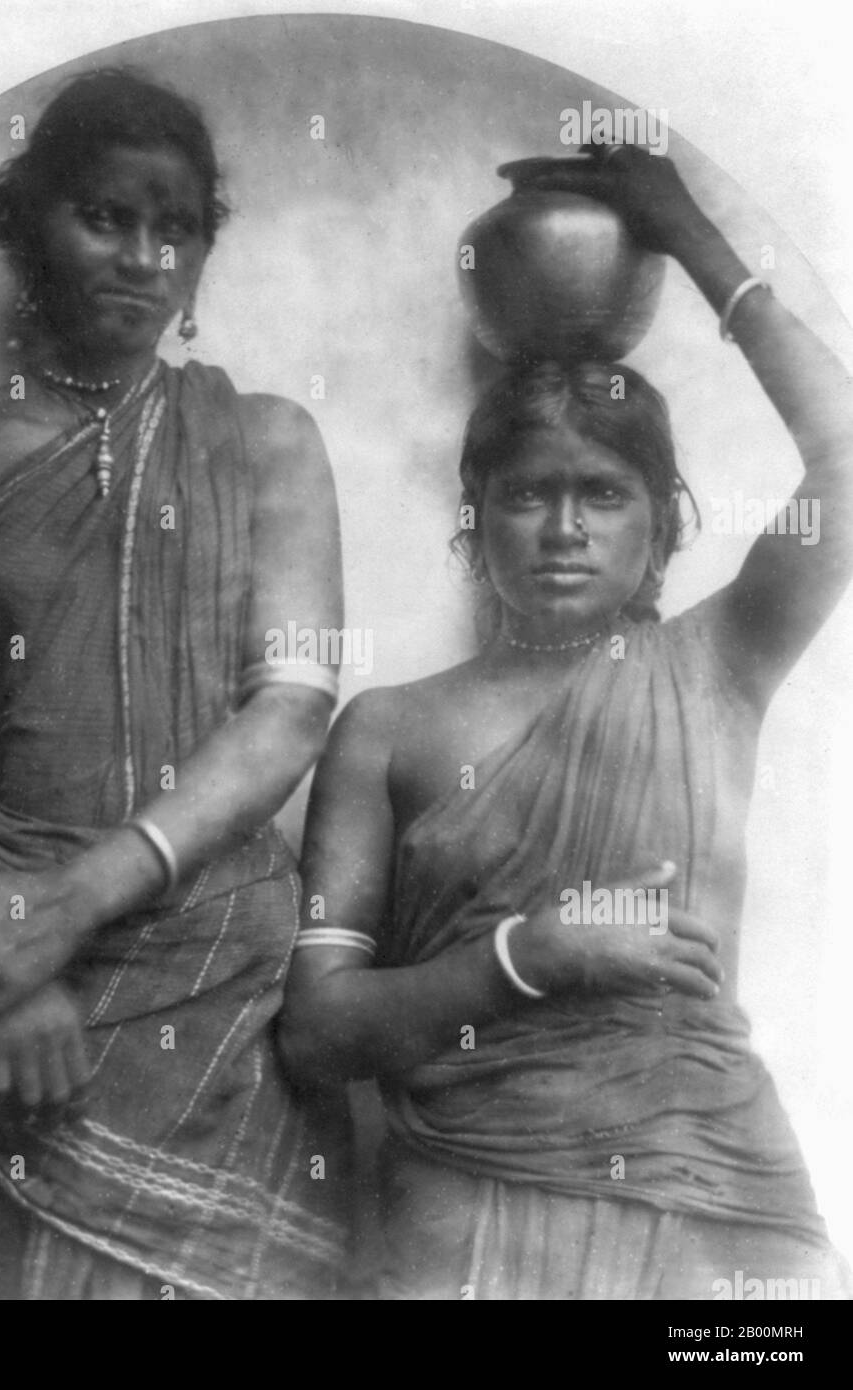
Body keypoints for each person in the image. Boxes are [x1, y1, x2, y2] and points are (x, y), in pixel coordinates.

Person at [0, 68, 347, 1299]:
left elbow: (292, 706)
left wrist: (69, 906)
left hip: (210, 998)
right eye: (105, 215)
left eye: (176, 227)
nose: (144, 256)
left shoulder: (266, 442)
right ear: (25, 219)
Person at [278, 144, 853, 1299]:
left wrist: (689, 235)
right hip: (463, 1205)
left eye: (603, 494)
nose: (563, 527)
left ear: (664, 523)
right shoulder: (387, 730)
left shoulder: (719, 663)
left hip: (714, 1200)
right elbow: (318, 1033)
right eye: (528, 493)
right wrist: (524, 957)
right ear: (474, 517)